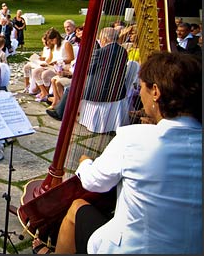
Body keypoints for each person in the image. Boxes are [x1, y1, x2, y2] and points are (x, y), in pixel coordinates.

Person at [34, 52, 202, 254]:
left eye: (142, 87)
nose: (140, 94)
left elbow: (92, 182)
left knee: (77, 207)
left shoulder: (135, 139)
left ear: (155, 92)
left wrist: (86, 162)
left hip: (137, 248)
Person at [46, 27, 127, 121]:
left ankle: (59, 113)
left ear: (105, 39)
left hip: (100, 91)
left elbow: (87, 70)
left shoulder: (100, 52)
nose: (100, 41)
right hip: (118, 90)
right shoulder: (123, 51)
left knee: (71, 88)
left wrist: (70, 72)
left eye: (101, 39)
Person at [33, 28, 74, 102]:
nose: (51, 42)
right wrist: (45, 63)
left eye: (52, 40)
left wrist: (59, 61)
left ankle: (48, 94)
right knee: (35, 72)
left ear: (57, 37)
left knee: (45, 74)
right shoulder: (53, 45)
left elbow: (71, 58)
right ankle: (44, 92)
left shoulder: (66, 44)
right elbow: (50, 58)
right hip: (53, 66)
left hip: (63, 67)